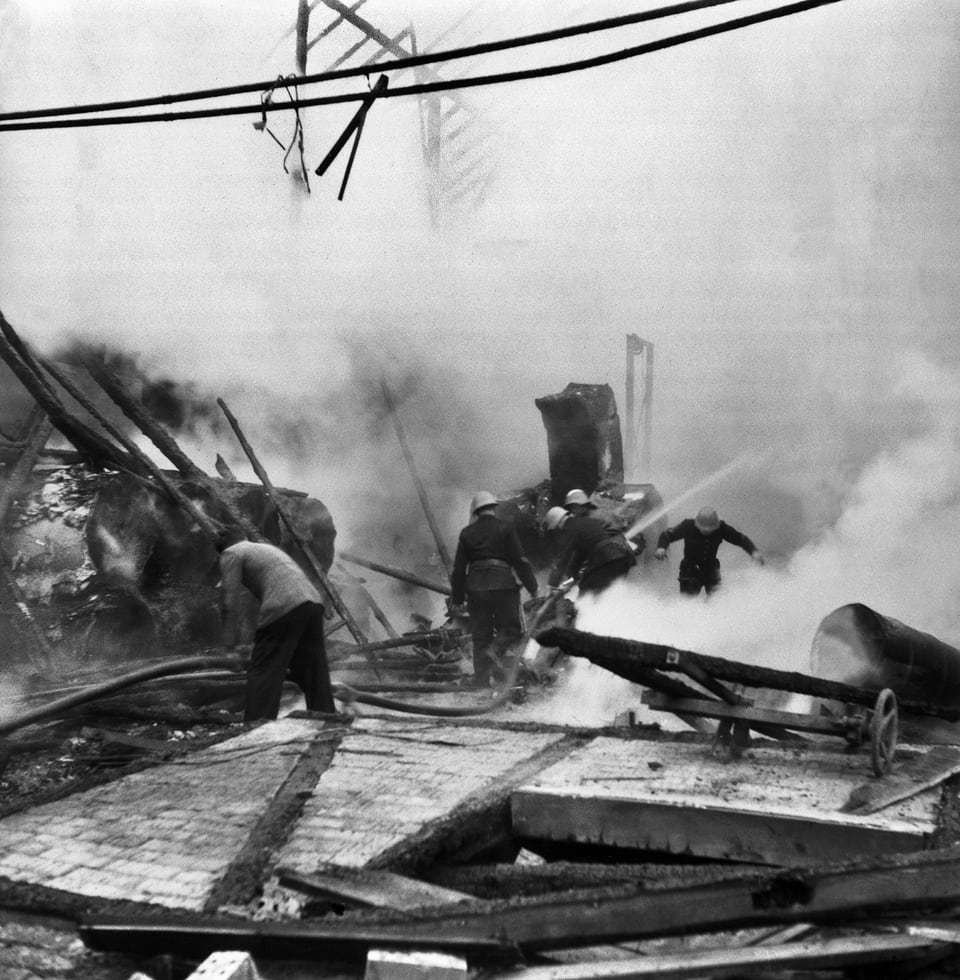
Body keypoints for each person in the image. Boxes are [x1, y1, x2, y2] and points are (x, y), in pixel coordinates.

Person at [215, 525, 336, 721]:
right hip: (312, 603)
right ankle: (326, 719)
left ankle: (257, 728)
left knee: (263, 671)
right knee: (312, 670)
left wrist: (229, 647)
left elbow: (229, 600)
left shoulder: (231, 553)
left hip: (285, 605)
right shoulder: (263, 549)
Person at [450, 491, 540, 688]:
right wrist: (533, 587)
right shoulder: (505, 528)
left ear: (476, 511)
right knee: (511, 629)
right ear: (493, 507)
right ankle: (495, 652)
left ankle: (482, 683)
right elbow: (520, 560)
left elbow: (458, 570)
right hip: (503, 586)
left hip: (475, 588)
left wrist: (458, 597)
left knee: (480, 636)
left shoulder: (466, 533)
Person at [655, 506, 764, 596]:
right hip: (689, 571)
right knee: (687, 604)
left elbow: (741, 539)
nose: (707, 532)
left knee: (717, 601)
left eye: (711, 529)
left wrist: (754, 552)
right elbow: (667, 535)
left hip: (711, 570)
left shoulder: (722, 528)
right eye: (704, 529)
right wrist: (661, 547)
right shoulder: (687, 526)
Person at [544, 503, 636, 596]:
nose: (558, 530)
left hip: (607, 561)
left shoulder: (569, 530)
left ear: (558, 522)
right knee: (608, 594)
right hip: (622, 559)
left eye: (556, 528)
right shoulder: (586, 522)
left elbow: (563, 560)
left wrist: (552, 585)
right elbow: (579, 557)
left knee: (586, 592)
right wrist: (572, 577)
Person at [564, 488, 646, 556]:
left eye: (575, 507)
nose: (573, 511)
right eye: (572, 508)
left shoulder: (590, 518)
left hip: (619, 544)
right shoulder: (593, 512)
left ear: (583, 506)